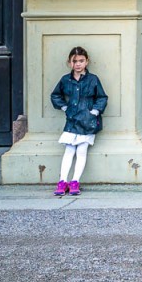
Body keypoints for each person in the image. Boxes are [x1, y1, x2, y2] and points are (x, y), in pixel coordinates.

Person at [50, 47, 108, 196]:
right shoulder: (65, 80)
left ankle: (75, 181)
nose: (78, 64)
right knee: (69, 150)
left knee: (81, 151)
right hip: (72, 120)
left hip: (88, 121)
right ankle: (62, 181)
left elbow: (101, 97)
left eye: (81, 61)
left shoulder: (93, 79)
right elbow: (56, 95)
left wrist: (94, 111)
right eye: (74, 61)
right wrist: (64, 107)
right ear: (70, 62)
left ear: (87, 61)